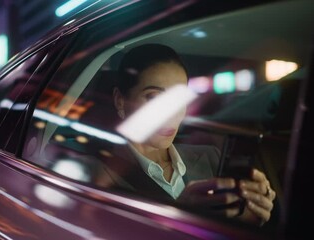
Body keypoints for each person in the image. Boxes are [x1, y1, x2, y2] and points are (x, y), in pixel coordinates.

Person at [112, 44, 276, 225]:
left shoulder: (211, 158)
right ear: (120, 101)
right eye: (153, 97)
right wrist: (180, 214)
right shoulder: (98, 175)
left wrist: (250, 217)